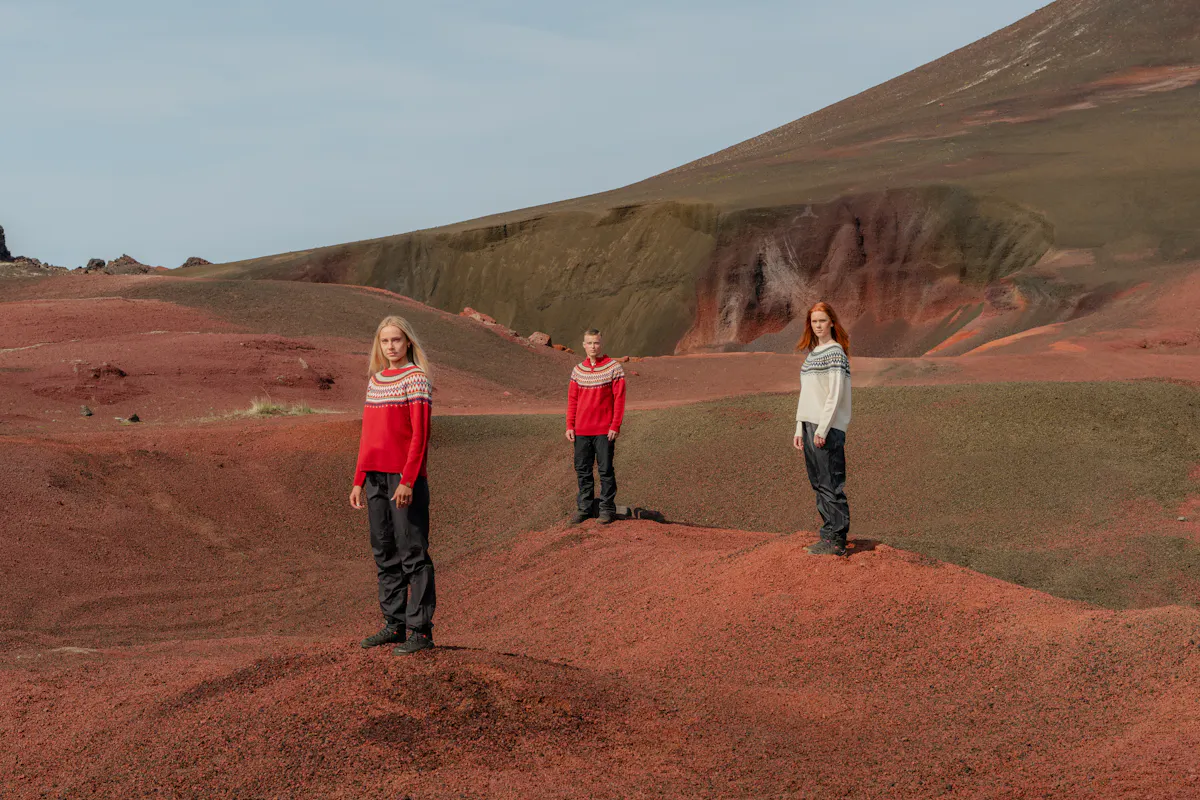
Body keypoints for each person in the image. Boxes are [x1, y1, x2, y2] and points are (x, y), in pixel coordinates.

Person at [349, 315, 437, 654]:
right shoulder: (375, 381)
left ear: (408, 343)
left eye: (396, 340)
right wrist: (358, 480)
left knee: (412, 552)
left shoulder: (416, 380)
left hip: (404, 479)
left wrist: (408, 480)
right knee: (384, 552)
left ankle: (421, 631)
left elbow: (420, 436)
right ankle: (394, 624)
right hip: (374, 479)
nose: (391, 346)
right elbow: (368, 437)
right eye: (385, 341)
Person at [792, 302, 853, 556]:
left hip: (825, 426)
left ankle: (837, 540)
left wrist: (823, 428)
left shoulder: (836, 352)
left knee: (830, 482)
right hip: (809, 423)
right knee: (818, 482)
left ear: (831, 322)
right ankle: (827, 534)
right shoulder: (812, 355)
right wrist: (799, 426)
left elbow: (835, 394)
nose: (818, 326)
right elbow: (807, 394)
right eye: (814, 321)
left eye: (822, 321)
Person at [565, 328, 627, 524]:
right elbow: (572, 400)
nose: (593, 346)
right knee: (582, 470)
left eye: (596, 343)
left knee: (605, 470)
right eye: (589, 343)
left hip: (604, 431)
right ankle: (584, 508)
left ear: (601, 344)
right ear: (584, 345)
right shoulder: (578, 370)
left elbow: (619, 399)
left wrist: (615, 425)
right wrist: (570, 425)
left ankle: (606, 509)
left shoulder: (613, 368)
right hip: (581, 431)